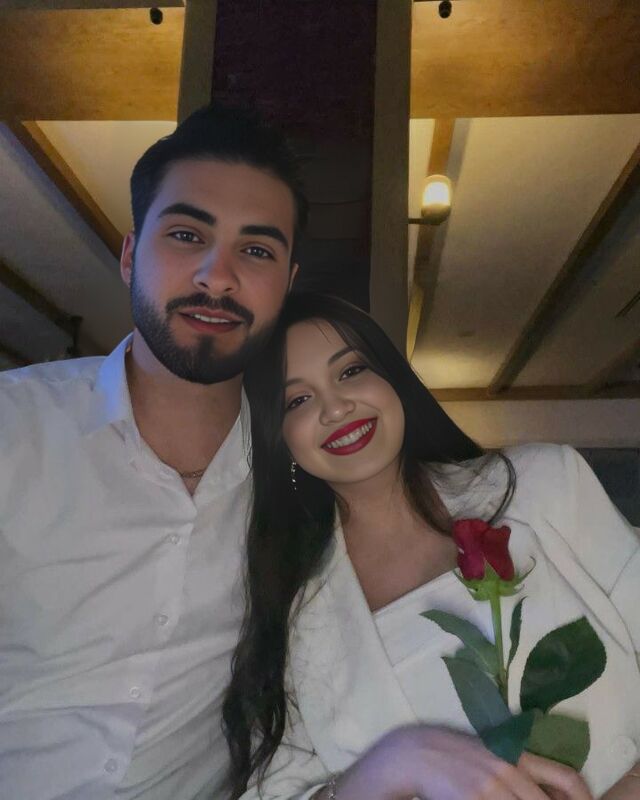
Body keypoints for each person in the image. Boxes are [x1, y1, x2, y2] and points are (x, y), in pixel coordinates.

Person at [0, 104, 307, 799]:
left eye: (257, 251)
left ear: (287, 285)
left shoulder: (303, 482)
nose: (218, 277)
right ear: (130, 255)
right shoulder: (13, 428)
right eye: (187, 235)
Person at [225, 293, 640, 800]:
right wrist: (386, 766)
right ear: (280, 438)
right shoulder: (292, 620)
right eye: (297, 400)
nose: (335, 407)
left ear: (392, 379)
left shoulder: (544, 483)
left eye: (351, 371)